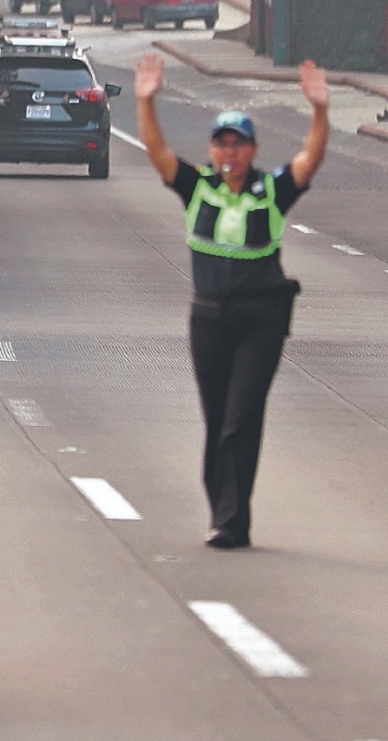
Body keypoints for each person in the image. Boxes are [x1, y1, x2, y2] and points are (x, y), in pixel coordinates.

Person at [134, 52, 330, 550]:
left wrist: (320, 112)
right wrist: (144, 100)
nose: (230, 153)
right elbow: (156, 150)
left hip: (260, 320)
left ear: (252, 150)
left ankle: (232, 521)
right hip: (208, 320)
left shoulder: (270, 192)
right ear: (212, 150)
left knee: (242, 419)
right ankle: (223, 510)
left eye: (238, 144)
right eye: (222, 143)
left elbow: (309, 161)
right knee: (217, 419)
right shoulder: (197, 188)